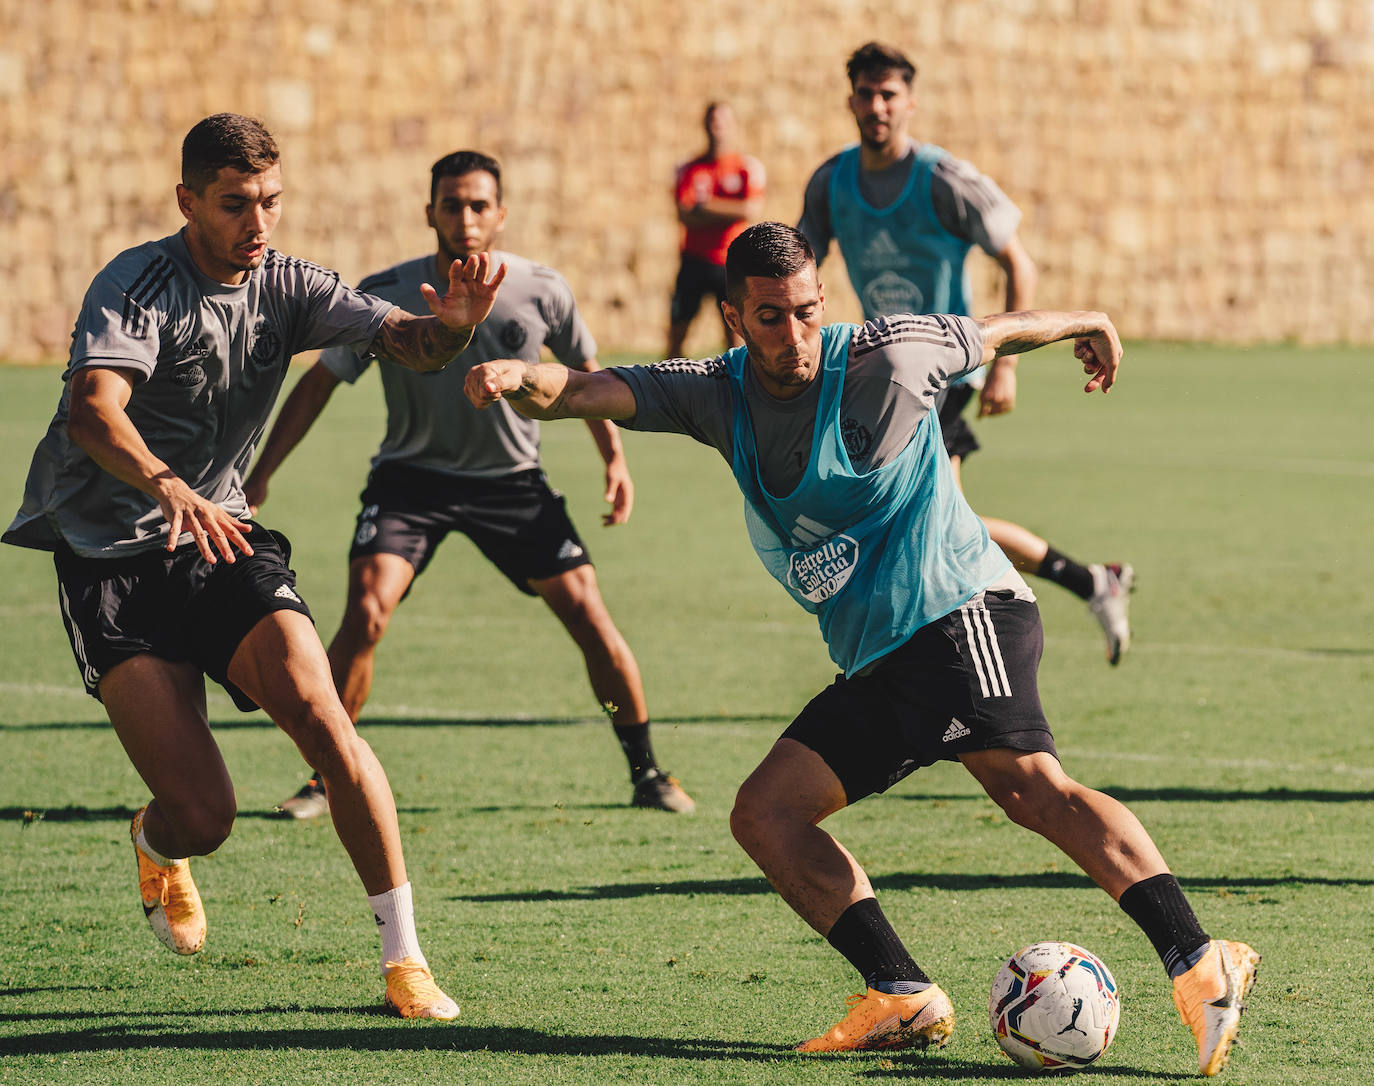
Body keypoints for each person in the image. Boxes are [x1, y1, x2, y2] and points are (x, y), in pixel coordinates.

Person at [463, 223, 1260, 1077]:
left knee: (1031, 787)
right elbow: (584, 389)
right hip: (883, 659)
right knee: (766, 814)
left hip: (964, 613)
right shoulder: (715, 393)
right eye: (770, 318)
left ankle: (1201, 963)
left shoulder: (890, 355)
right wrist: (517, 380)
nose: (794, 336)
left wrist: (1087, 320)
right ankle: (902, 994)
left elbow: (994, 331)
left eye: (807, 312)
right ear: (735, 318)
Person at [1, 113, 507, 1020]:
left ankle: (404, 960)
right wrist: (165, 485)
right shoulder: (138, 283)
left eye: (271, 200)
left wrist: (454, 329)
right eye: (236, 204)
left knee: (323, 715)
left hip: (220, 539)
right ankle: (159, 845)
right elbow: (91, 409)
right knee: (206, 816)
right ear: (189, 201)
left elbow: (410, 339)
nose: (258, 221)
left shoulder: (291, 284)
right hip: (108, 561)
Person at [244, 149, 694, 820]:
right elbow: (321, 380)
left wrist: (615, 462)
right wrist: (263, 474)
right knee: (365, 614)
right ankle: (325, 777)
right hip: (410, 482)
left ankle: (648, 771)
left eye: (479, 205)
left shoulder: (542, 287)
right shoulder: (388, 292)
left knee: (590, 617)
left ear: (501, 214)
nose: (465, 217)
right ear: (429, 212)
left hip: (511, 483)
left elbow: (588, 376)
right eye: (451, 204)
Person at [798, 41, 1135, 665]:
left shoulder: (943, 180)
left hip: (948, 368)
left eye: (889, 94)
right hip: (885, 375)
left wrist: (1004, 366)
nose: (877, 106)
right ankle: (1090, 581)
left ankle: (936, 652)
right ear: (850, 101)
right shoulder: (833, 182)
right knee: (935, 521)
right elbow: (799, 267)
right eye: (866, 94)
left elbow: (1017, 261)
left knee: (932, 523)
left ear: (910, 102)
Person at [666, 102, 766, 359]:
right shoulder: (691, 169)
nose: (717, 128)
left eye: (722, 122)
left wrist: (705, 206)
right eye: (712, 122)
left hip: (729, 262)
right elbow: (684, 215)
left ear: (732, 126)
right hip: (694, 261)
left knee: (734, 334)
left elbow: (749, 210)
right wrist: (725, 211)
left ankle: (736, 391)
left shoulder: (745, 167)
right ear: (705, 125)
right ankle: (667, 392)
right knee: (677, 332)